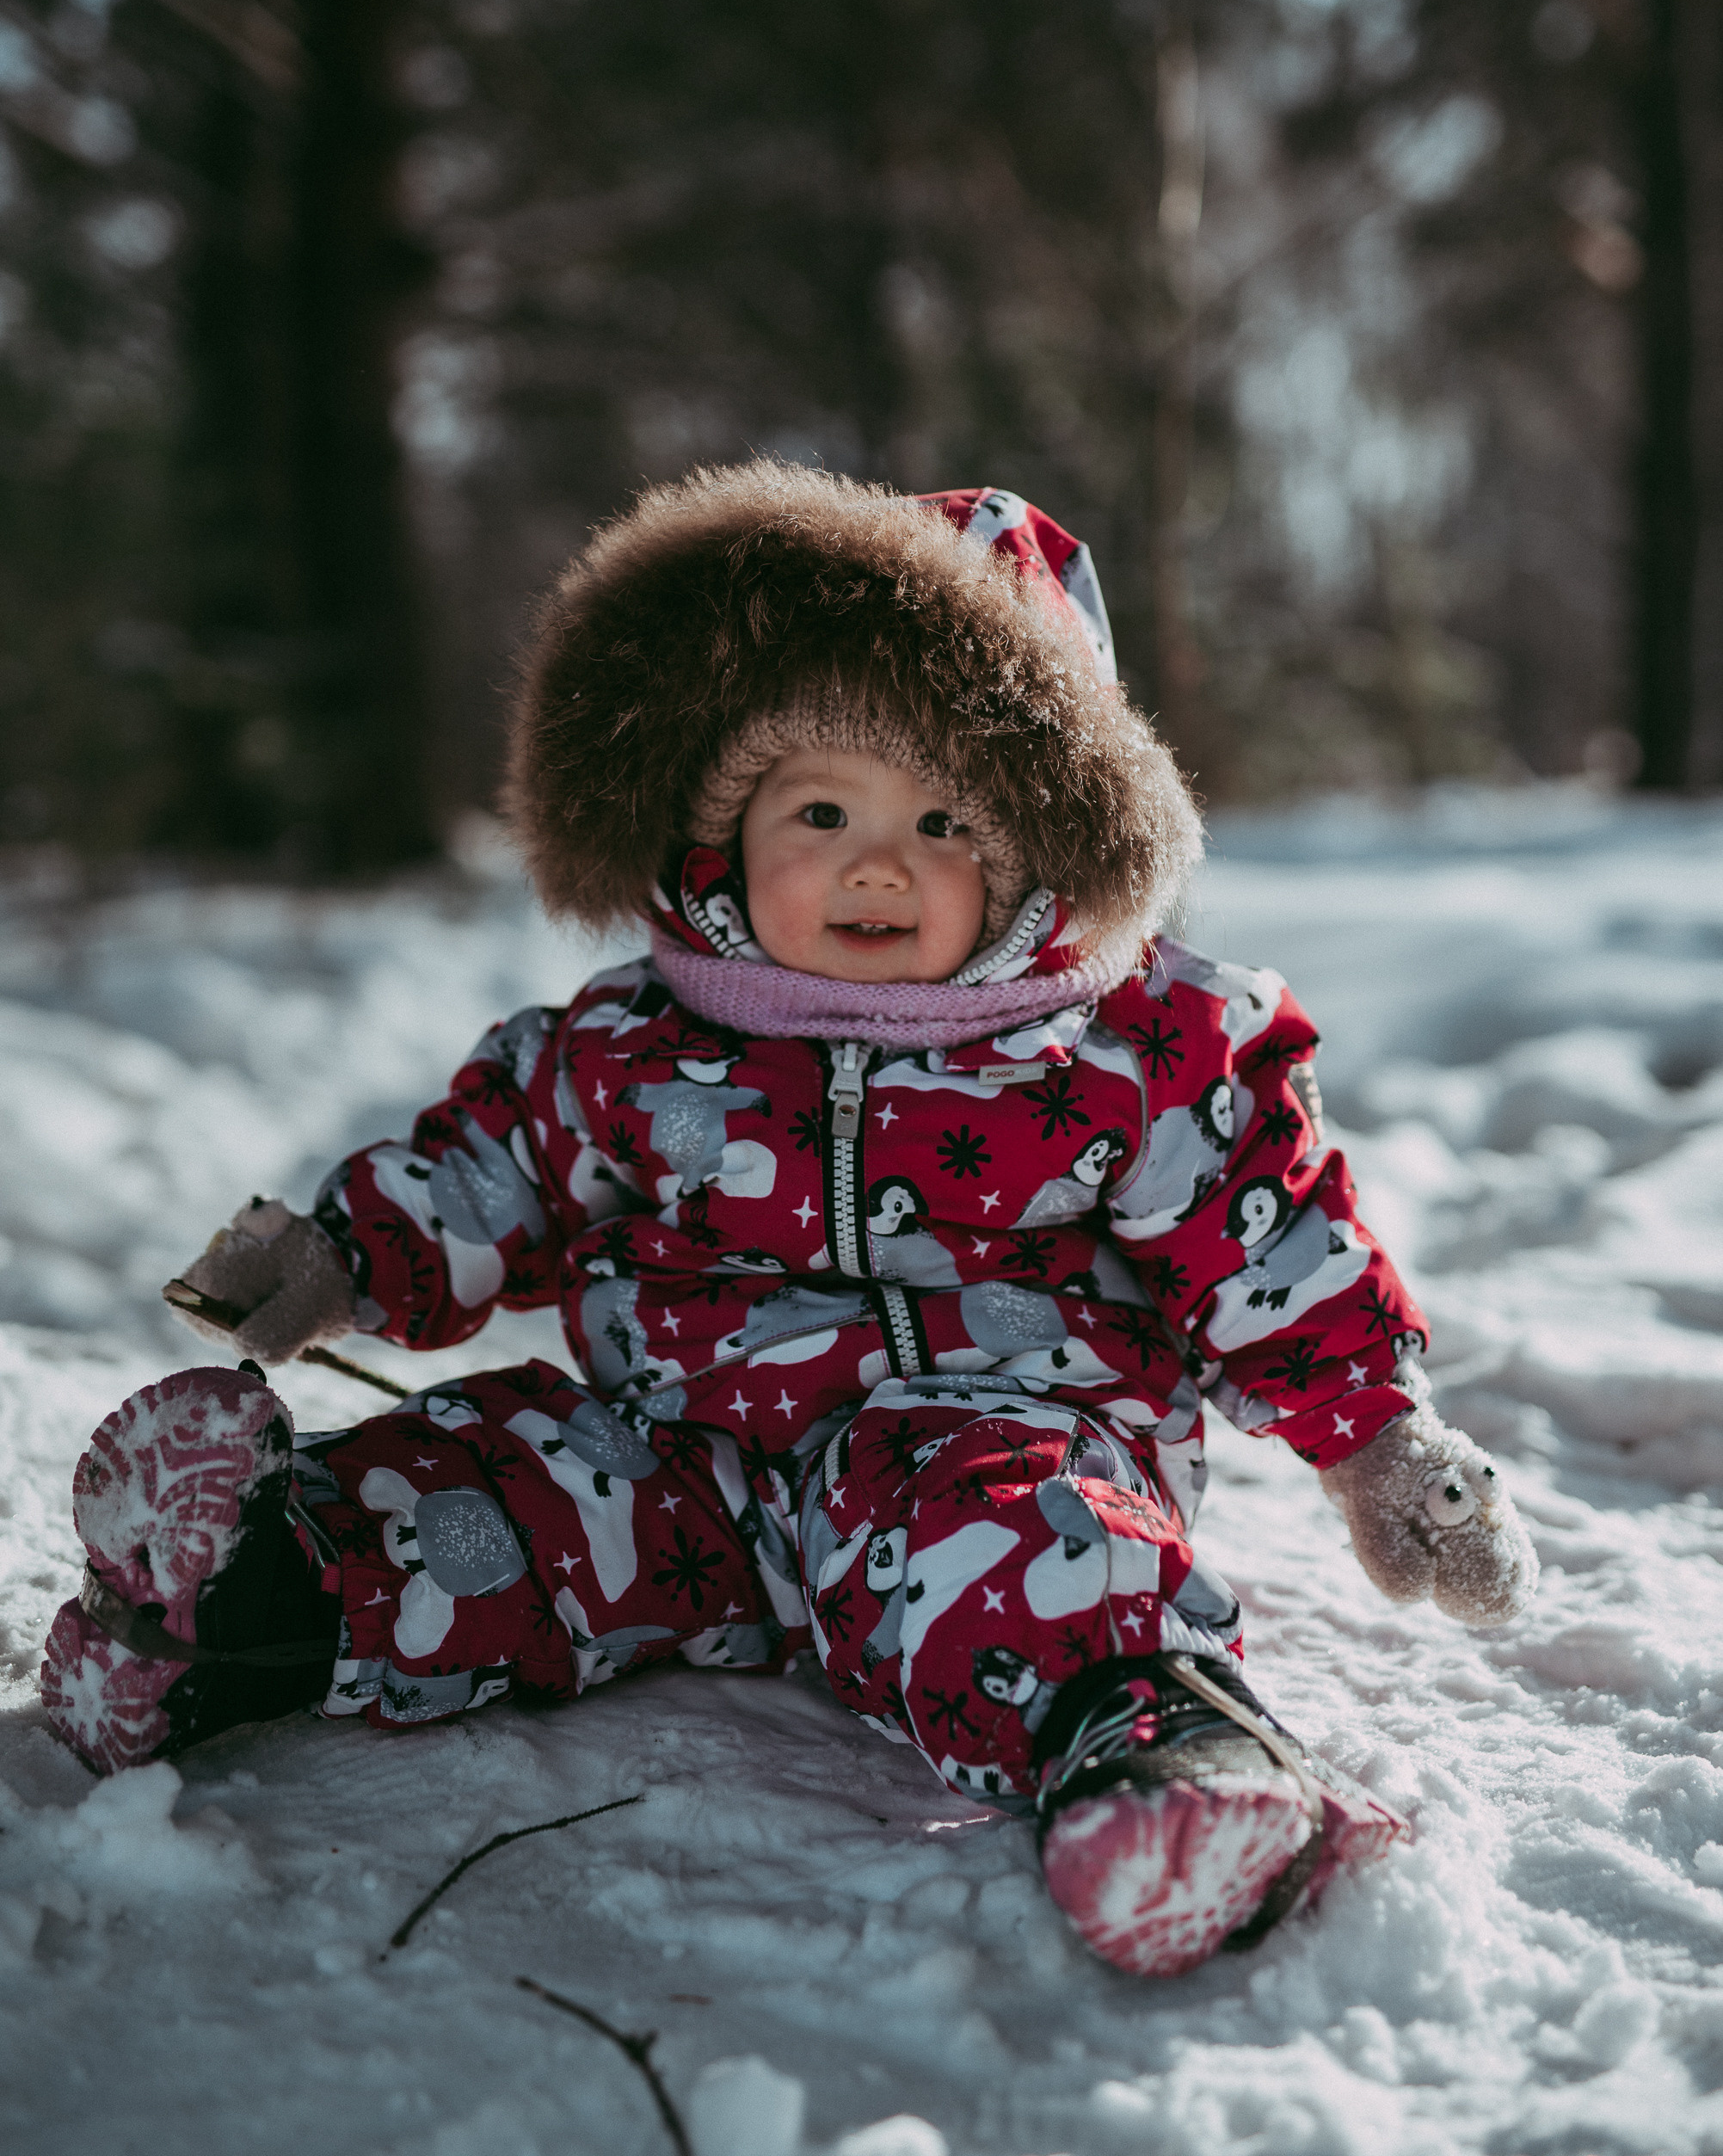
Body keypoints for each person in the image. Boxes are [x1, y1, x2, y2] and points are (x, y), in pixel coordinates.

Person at [39, 465, 1539, 1979]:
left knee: (1027, 1558)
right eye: (821, 809)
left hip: (980, 1441)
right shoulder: (637, 1040)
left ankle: (1167, 1759)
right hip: (680, 1455)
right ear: (722, 829)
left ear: (1040, 845)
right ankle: (246, 1596)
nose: (879, 863)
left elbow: (1271, 1243)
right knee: (506, 1500)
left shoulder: (1129, 1049)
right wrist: (342, 1255)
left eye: (945, 819)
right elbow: (492, 1167)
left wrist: (1378, 1439)